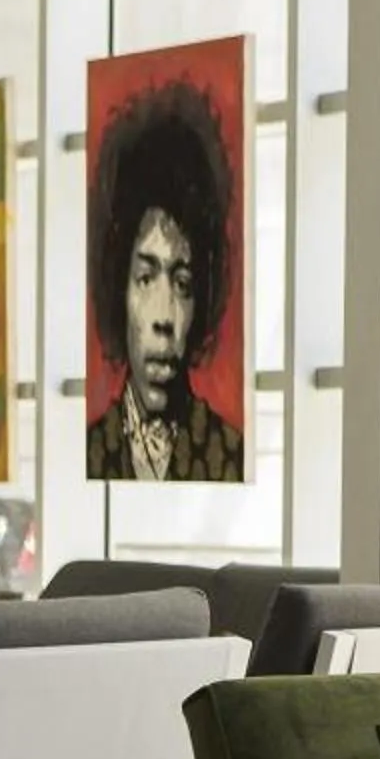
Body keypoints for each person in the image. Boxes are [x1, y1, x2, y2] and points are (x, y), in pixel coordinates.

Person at [85, 79, 245, 483]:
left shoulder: (230, 456)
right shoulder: (87, 453)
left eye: (182, 284)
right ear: (117, 287)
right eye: (145, 278)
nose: (164, 318)